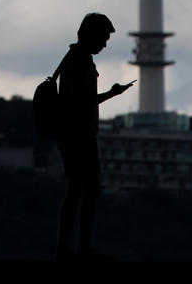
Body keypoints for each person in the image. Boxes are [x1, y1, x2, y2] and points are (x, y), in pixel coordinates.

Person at [55, 13, 134, 259]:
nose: (105, 44)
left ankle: (69, 247)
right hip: (79, 136)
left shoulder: (74, 57)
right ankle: (79, 247)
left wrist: (110, 94)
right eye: (103, 38)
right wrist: (109, 95)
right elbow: (81, 102)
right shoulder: (80, 60)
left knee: (77, 191)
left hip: (73, 134)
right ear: (91, 34)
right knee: (86, 190)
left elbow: (81, 100)